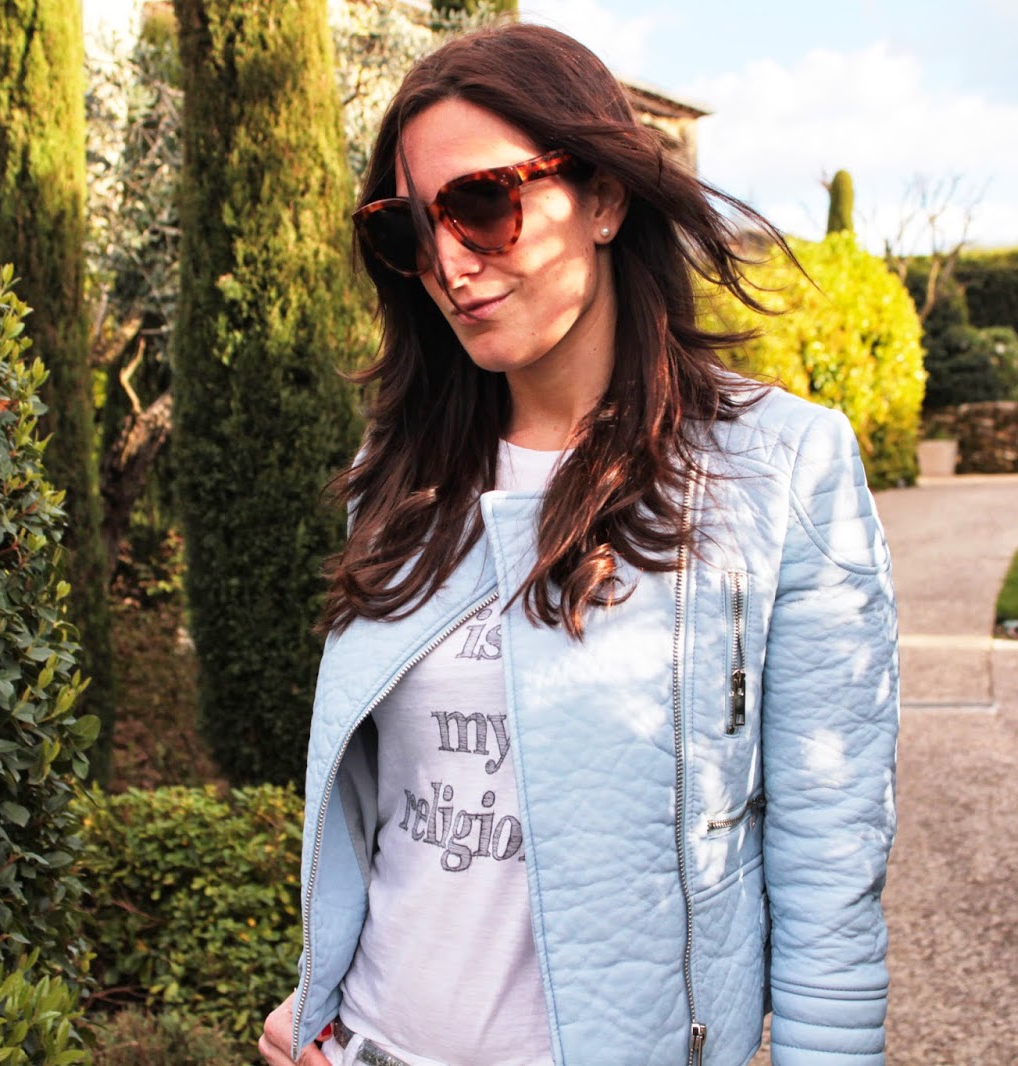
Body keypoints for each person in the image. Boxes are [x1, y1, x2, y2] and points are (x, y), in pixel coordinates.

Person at [259, 21, 899, 1066]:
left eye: (482, 203)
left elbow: (831, 866)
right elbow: (396, 815)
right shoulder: (399, 475)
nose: (448, 263)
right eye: (407, 229)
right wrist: (318, 992)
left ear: (603, 199)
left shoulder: (783, 469)